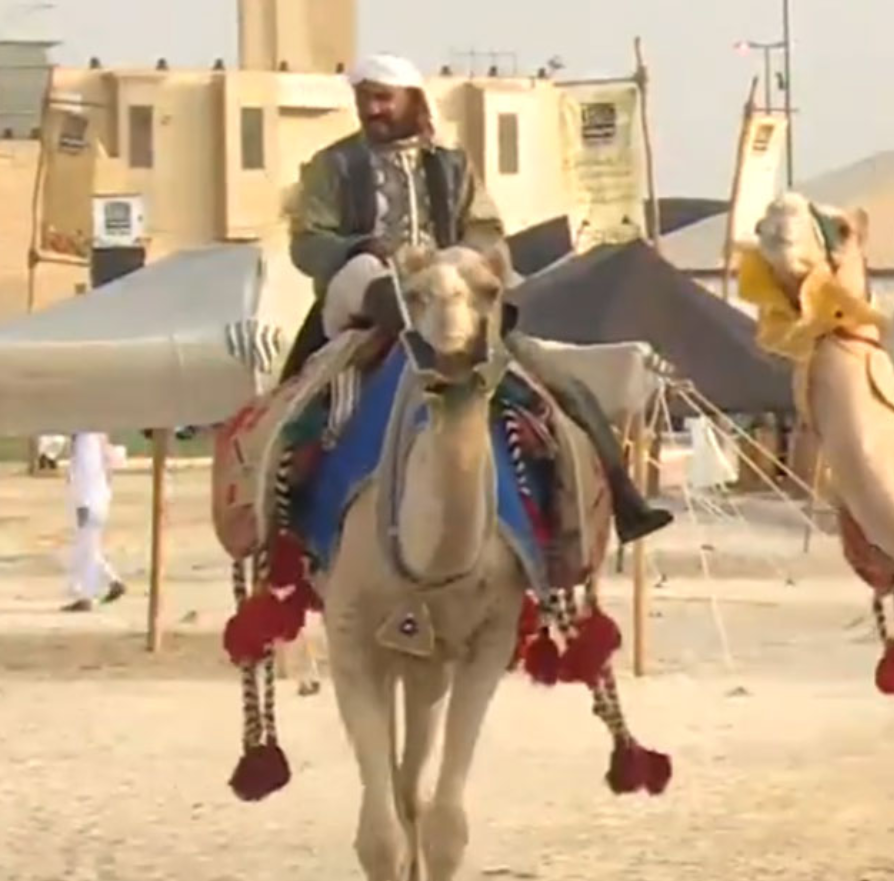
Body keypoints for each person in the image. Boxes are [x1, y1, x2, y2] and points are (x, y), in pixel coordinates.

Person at [280, 54, 671, 544]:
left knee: (558, 384)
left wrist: (457, 262)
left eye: (383, 98)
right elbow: (307, 241)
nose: (372, 109)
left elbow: (486, 230)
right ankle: (281, 521)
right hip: (364, 298)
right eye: (364, 99)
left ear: (412, 100)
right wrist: (360, 247)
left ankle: (626, 501)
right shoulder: (333, 165)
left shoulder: (452, 166)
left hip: (452, 299)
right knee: (291, 405)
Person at [62, 432, 126, 612]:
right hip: (99, 499)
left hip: (88, 502)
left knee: (86, 548)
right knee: (88, 547)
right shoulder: (97, 439)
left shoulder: (86, 439)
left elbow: (85, 476)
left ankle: (87, 596)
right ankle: (112, 581)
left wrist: (81, 502)